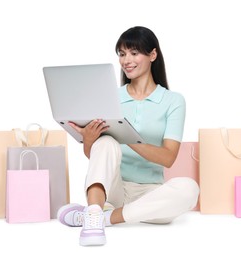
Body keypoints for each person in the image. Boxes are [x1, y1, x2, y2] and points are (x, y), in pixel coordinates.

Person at [57, 26, 199, 246]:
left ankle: (99, 217)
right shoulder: (110, 96)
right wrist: (89, 140)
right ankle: (95, 210)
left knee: (190, 189)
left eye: (134, 53)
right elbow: (96, 157)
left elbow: (168, 157)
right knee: (105, 142)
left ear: (153, 55)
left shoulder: (173, 101)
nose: (126, 60)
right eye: (122, 54)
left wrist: (128, 136)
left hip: (151, 194)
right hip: (114, 188)